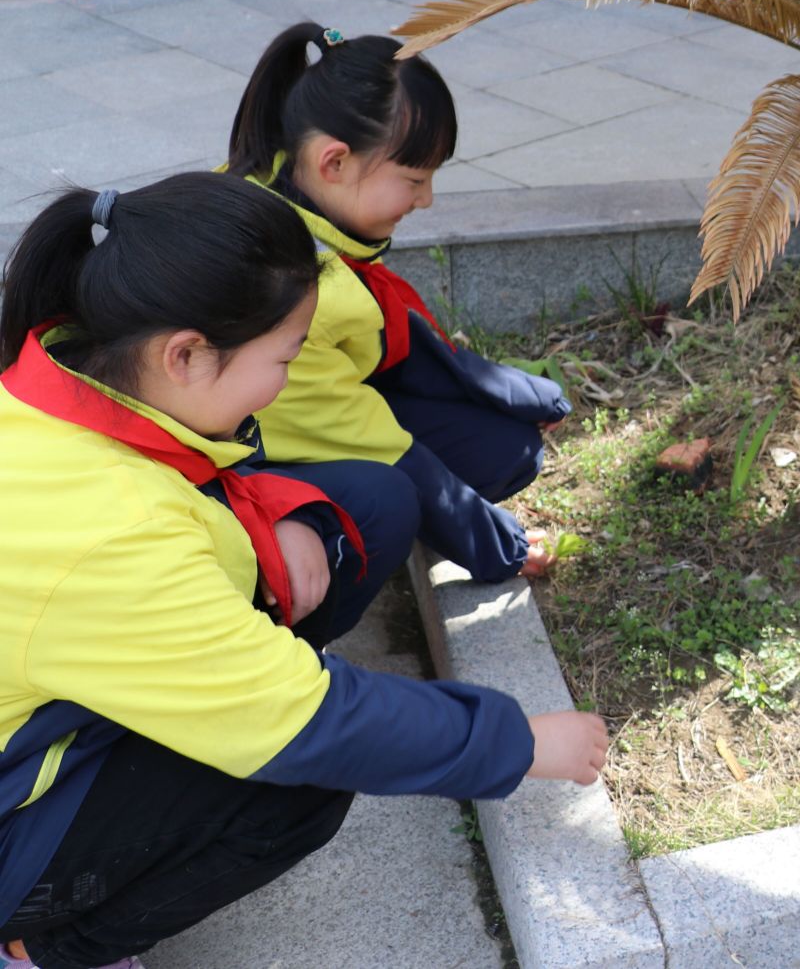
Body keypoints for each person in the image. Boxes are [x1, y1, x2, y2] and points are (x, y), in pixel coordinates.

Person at [0, 174, 608, 969]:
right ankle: (39, 942)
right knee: (294, 781)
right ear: (184, 353)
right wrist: (516, 742)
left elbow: (189, 467)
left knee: (366, 506)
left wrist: (283, 510)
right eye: (283, 356)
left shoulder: (67, 372)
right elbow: (309, 723)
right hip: (19, 798)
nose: (285, 381)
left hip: (66, 686)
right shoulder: (114, 535)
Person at [224, 23, 571, 582]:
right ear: (333, 162)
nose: (426, 199)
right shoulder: (296, 293)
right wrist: (495, 545)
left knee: (508, 448)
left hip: (312, 413)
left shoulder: (280, 185)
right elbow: (380, 446)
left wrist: (512, 393)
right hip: (249, 460)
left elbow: (391, 341)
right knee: (388, 504)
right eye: (413, 178)